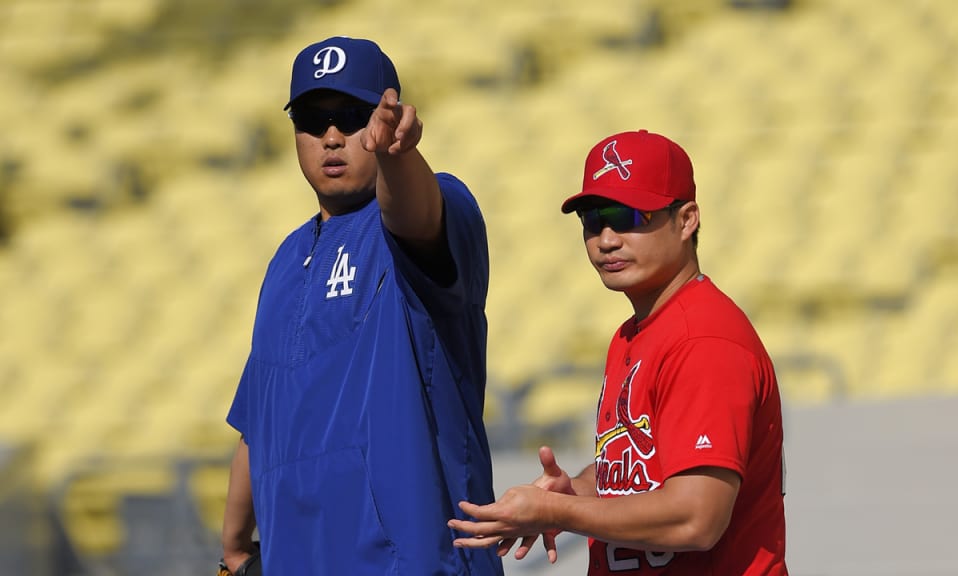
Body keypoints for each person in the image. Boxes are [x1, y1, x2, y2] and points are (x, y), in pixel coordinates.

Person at [219, 36, 503, 575]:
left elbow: (416, 217)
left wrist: (400, 158)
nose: (331, 135)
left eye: (352, 116)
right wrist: (234, 547)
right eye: (311, 117)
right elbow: (257, 422)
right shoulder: (284, 261)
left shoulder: (431, 206)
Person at [449, 130, 787, 575]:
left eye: (629, 216)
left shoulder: (703, 339)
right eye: (593, 220)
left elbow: (696, 517)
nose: (606, 239)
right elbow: (646, 463)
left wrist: (556, 514)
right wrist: (576, 492)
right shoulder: (637, 332)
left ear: (686, 221)